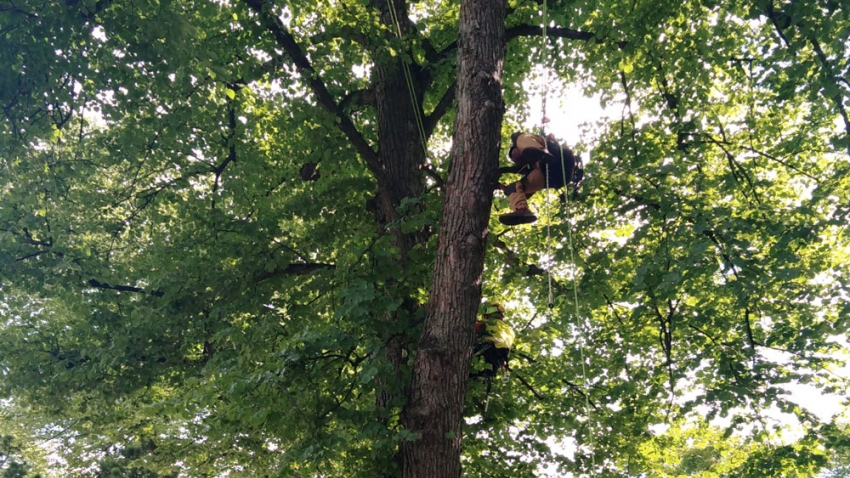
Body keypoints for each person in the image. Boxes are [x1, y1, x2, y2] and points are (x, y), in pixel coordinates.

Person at [498, 132, 580, 226]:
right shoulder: (528, 168)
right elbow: (521, 191)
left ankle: (539, 150)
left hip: (558, 160)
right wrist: (501, 186)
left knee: (518, 138)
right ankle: (522, 209)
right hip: (553, 176)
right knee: (514, 188)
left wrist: (550, 140)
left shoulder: (543, 142)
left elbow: (519, 138)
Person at [473, 302, 516, 377]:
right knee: (489, 371)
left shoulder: (488, 323)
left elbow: (474, 328)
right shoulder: (509, 330)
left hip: (489, 347)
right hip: (503, 354)